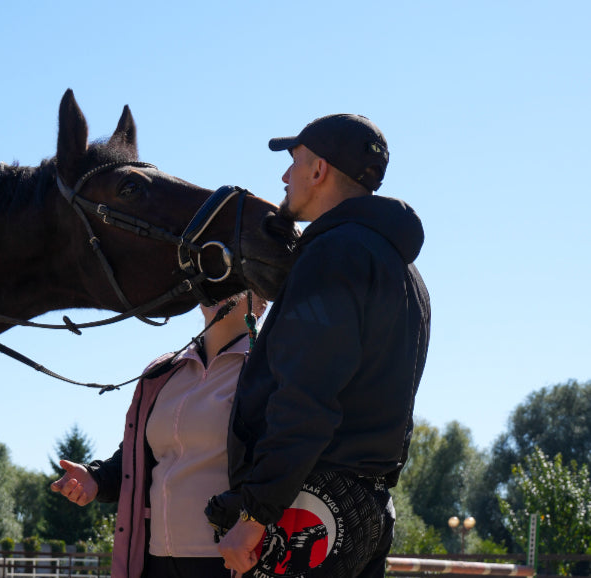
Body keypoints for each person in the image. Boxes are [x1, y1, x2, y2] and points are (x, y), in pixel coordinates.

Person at [212, 114, 431, 578]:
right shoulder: (408, 276)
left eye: (294, 163)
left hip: (308, 505)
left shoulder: (333, 254)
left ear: (319, 171)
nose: (285, 177)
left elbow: (306, 397)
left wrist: (255, 514)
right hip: (367, 506)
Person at [50, 292, 267, 578]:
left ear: (262, 301)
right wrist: (96, 478)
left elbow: (281, 463)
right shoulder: (163, 372)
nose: (219, 285)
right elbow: (138, 458)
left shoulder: (269, 370)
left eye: (234, 277)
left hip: (230, 561)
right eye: (211, 273)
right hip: (154, 559)